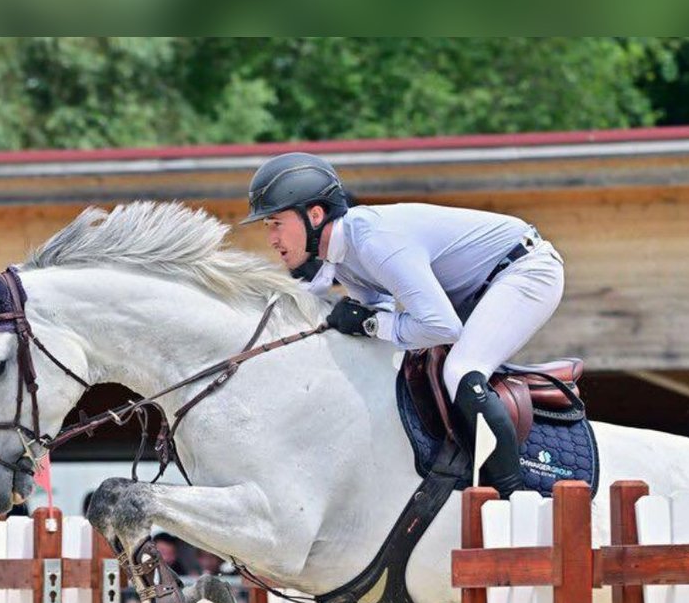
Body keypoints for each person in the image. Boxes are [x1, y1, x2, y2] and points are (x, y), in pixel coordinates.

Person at [242, 152, 565, 496]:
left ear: (315, 215)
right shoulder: (342, 255)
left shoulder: (372, 241)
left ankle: (514, 497)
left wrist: (368, 324)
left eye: (276, 222)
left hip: (526, 270)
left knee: (462, 371)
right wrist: (360, 324)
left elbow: (441, 327)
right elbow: (378, 319)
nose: (271, 238)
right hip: (479, 290)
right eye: (267, 226)